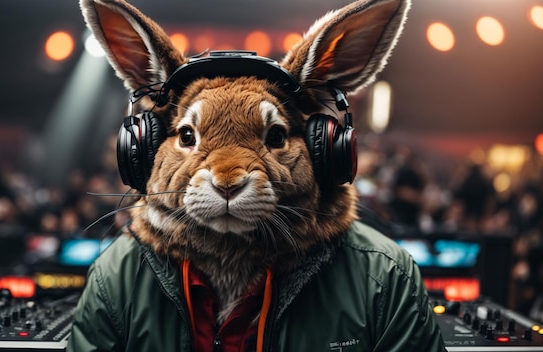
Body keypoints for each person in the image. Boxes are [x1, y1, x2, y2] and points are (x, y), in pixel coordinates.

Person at [68, 0, 445, 351]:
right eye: (187, 135)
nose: (227, 177)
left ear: (325, 151)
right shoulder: (116, 277)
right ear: (147, 149)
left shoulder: (385, 277)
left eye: (276, 136)